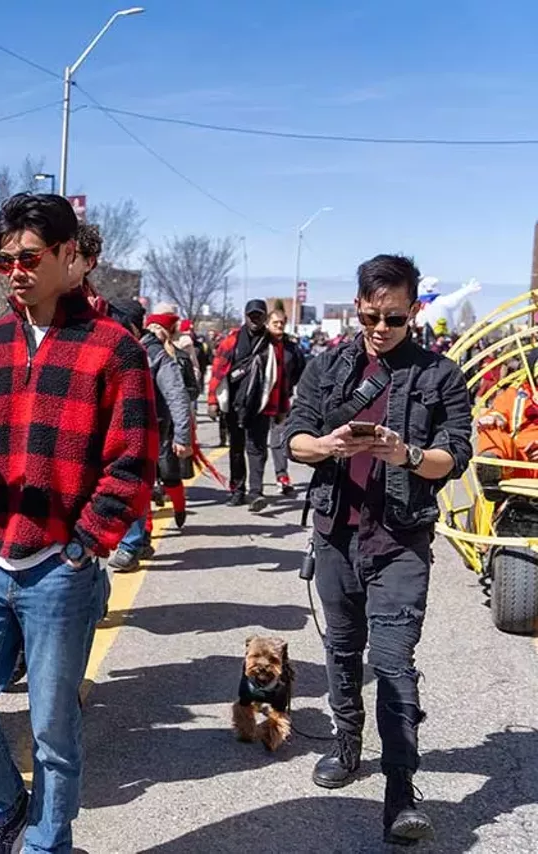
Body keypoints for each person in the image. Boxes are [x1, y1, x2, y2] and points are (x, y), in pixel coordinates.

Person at [0, 194, 156, 853]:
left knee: (54, 724)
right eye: (5, 259)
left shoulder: (115, 350)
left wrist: (85, 545)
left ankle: (47, 839)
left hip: (60, 567)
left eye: (29, 256)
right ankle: (5, 808)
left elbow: (133, 462)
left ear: (68, 257)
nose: (15, 270)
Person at [284, 254, 471, 846]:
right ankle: (346, 741)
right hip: (336, 532)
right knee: (341, 651)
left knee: (392, 664)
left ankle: (399, 791)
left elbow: (456, 453)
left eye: (393, 317)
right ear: (358, 307)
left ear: (413, 311)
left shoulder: (440, 375)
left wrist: (408, 455)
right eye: (370, 315)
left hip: (400, 541)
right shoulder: (329, 366)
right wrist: (327, 444)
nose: (380, 328)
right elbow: (294, 438)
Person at [110, 301, 194, 572]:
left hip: (148, 431)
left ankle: (130, 545)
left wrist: (182, 435)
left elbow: (177, 395)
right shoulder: (116, 348)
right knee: (131, 487)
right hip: (115, 430)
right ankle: (140, 538)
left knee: (135, 485)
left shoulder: (156, 355)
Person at [208, 299, 277, 511]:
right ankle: (237, 490)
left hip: (261, 404)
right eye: (251, 315)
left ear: (265, 317)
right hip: (235, 404)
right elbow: (218, 372)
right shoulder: (231, 341)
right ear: (245, 316)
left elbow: (280, 378)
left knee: (257, 449)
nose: (255, 319)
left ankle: (256, 493)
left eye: (259, 315)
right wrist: (212, 401)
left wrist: (281, 407)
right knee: (236, 449)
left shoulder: (273, 342)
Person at [475, 349, 538, 496]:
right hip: (517, 463)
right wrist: (494, 418)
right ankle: (491, 473)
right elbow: (498, 410)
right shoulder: (516, 395)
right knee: (490, 429)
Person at [266, 309, 307, 497]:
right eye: (275, 323)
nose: (279, 326)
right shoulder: (261, 344)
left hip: (282, 400)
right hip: (259, 401)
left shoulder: (291, 348)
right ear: (268, 323)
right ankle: (253, 486)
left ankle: (282, 476)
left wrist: (290, 387)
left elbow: (301, 369)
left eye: (282, 322)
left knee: (278, 439)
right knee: (255, 445)